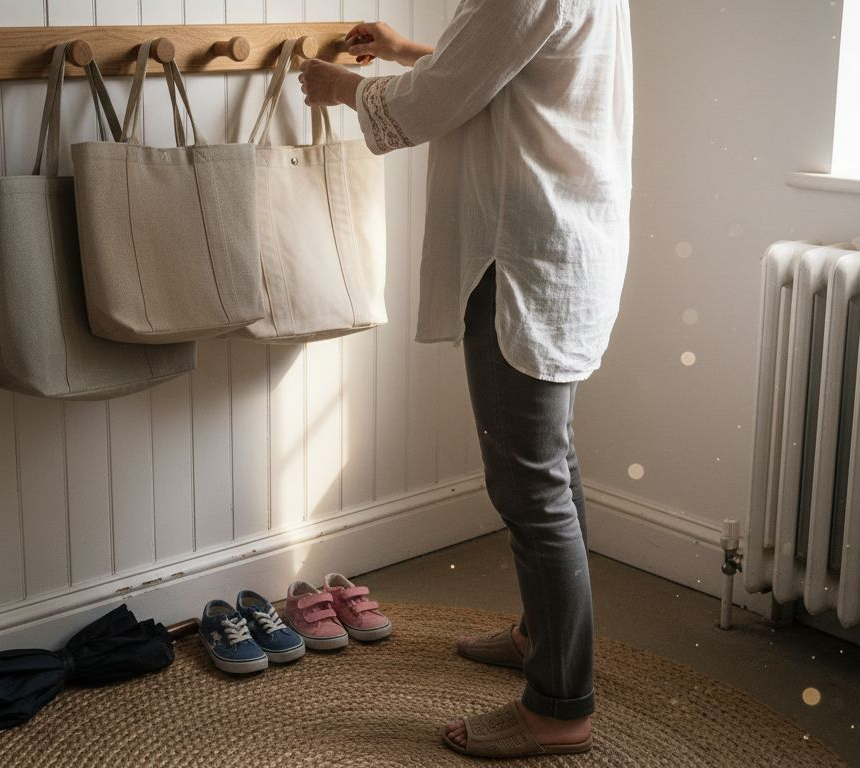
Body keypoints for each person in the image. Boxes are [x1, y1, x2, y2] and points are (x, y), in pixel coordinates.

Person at [297, 0, 633, 759]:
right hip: (556, 240)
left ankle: (559, 706)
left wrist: (338, 85)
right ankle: (541, 638)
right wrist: (406, 49)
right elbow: (508, 72)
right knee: (550, 466)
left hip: (519, 251)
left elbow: (430, 108)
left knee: (529, 486)